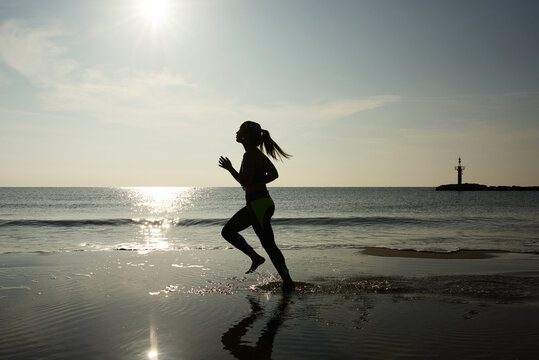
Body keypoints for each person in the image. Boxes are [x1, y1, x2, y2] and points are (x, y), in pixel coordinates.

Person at [219, 121, 294, 290]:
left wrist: (230, 169)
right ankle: (256, 258)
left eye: (239, 130)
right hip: (260, 203)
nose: (236, 133)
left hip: (258, 204)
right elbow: (274, 174)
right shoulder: (258, 154)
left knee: (269, 245)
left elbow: (244, 182)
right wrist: (258, 182)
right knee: (228, 231)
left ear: (246, 136)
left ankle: (288, 282)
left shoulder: (250, 155)